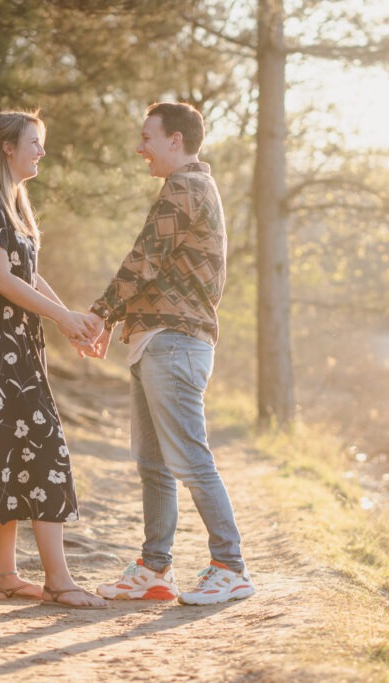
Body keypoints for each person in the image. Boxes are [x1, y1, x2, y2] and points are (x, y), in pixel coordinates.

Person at [80, 102, 255, 606]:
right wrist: (114, 320)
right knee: (153, 464)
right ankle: (155, 569)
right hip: (156, 340)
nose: (141, 148)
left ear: (175, 140)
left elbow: (145, 258)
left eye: (147, 138)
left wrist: (100, 313)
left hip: (175, 343)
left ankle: (231, 566)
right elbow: (154, 266)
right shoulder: (192, 186)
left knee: (191, 461)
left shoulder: (186, 186)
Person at [0, 110, 106, 609]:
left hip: (16, 343)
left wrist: (69, 319)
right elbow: (1, 278)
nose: (41, 151)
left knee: (7, 453)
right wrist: (61, 317)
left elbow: (29, 275)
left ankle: (6, 578)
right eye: (33, 142)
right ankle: (58, 581)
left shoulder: (14, 202)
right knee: (45, 451)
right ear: (6, 148)